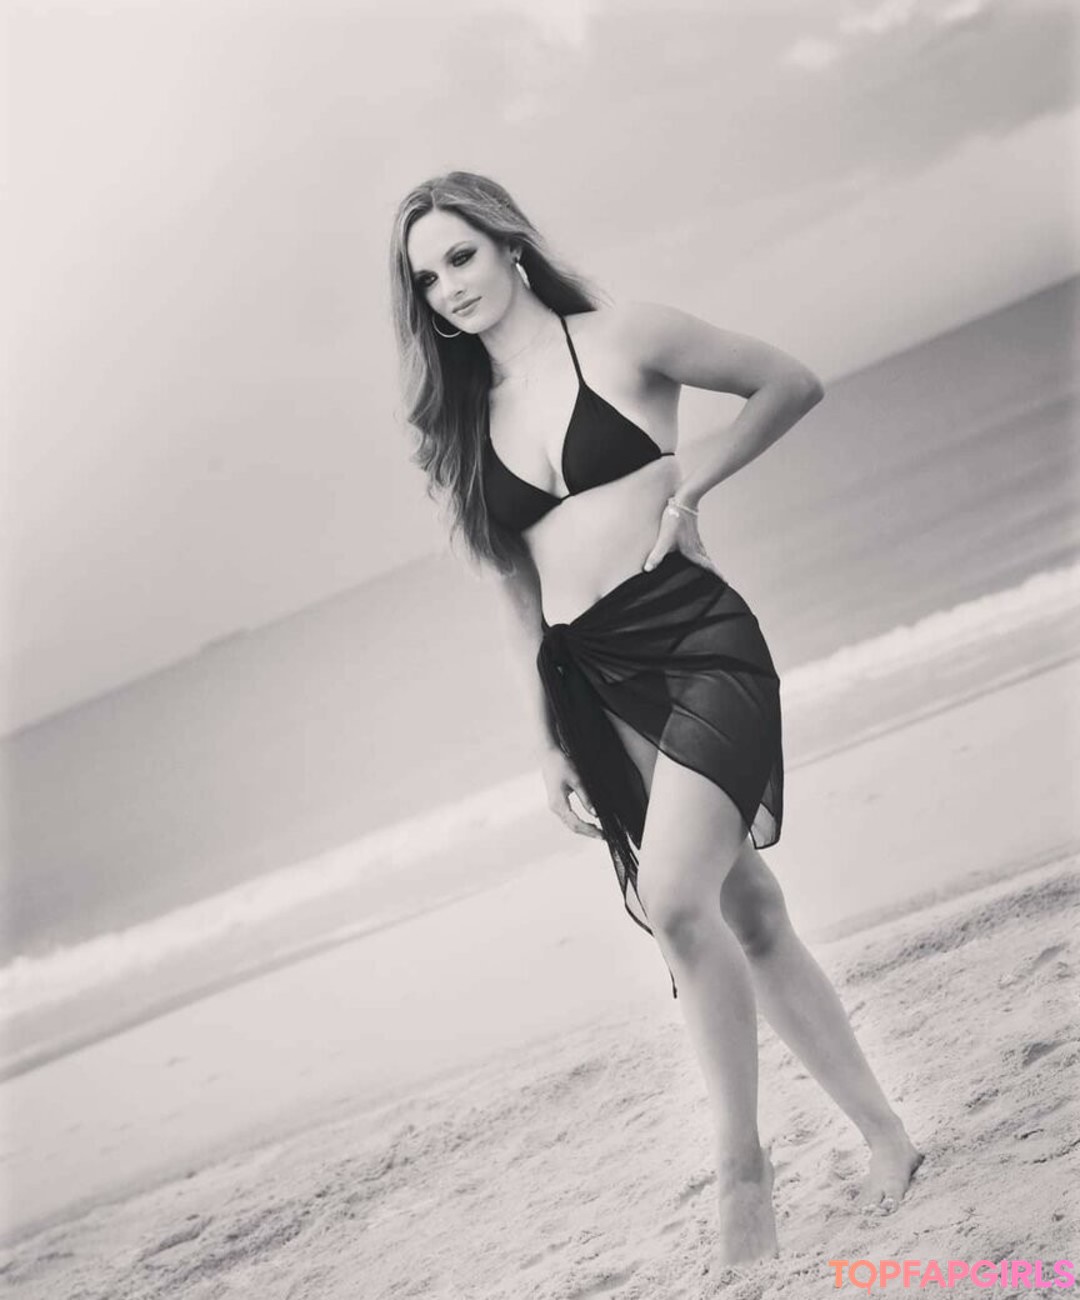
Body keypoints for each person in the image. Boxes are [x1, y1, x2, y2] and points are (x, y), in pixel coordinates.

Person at [388, 170, 922, 1265]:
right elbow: (517, 596)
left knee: (679, 903)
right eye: (426, 279)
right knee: (749, 914)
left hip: (695, 641)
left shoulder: (626, 337)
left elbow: (786, 382)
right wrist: (543, 741)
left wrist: (689, 487)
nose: (449, 288)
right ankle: (887, 1135)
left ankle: (741, 1169)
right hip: (589, 680)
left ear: (510, 243)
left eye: (460, 256)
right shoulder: (463, 425)